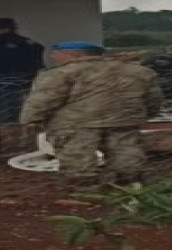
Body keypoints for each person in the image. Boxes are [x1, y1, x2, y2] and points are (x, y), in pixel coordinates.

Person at [20, 41, 164, 189]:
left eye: (56, 54)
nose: (53, 57)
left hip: (76, 122)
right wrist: (147, 114)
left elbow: (45, 99)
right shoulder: (140, 72)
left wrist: (31, 119)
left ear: (71, 54)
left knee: (77, 154)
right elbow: (153, 98)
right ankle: (129, 182)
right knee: (125, 150)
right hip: (123, 119)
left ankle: (84, 186)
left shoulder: (60, 73)